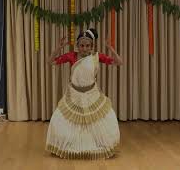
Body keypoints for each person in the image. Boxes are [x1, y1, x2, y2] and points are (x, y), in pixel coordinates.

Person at [45, 28, 122, 160]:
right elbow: (50, 61)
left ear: (92, 46)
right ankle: (66, 145)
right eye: (81, 45)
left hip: (92, 95)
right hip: (74, 96)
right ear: (77, 46)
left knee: (100, 121)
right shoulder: (71, 56)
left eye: (87, 45)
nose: (84, 48)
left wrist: (110, 47)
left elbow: (119, 62)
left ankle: (99, 144)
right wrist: (58, 48)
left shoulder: (96, 57)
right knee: (60, 120)